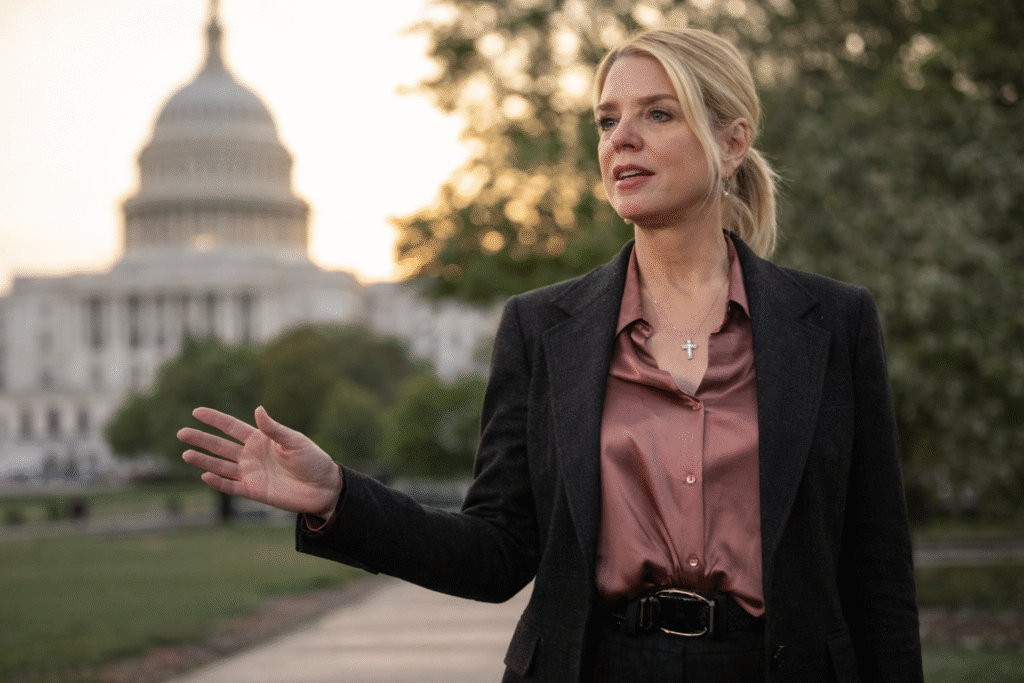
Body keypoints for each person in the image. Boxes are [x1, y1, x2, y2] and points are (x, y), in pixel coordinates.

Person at [178, 27, 923, 682]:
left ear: (732, 141)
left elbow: (877, 569)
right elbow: (498, 551)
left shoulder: (831, 322)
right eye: (606, 120)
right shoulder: (541, 328)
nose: (620, 139)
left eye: (656, 113)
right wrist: (340, 496)